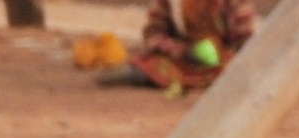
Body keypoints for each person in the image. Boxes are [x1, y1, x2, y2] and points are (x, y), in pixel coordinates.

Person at [97, 0, 256, 90]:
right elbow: (153, 33)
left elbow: (245, 39)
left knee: (238, 72)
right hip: (182, 58)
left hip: (223, 59)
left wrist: (230, 56)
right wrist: (182, 51)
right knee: (146, 68)